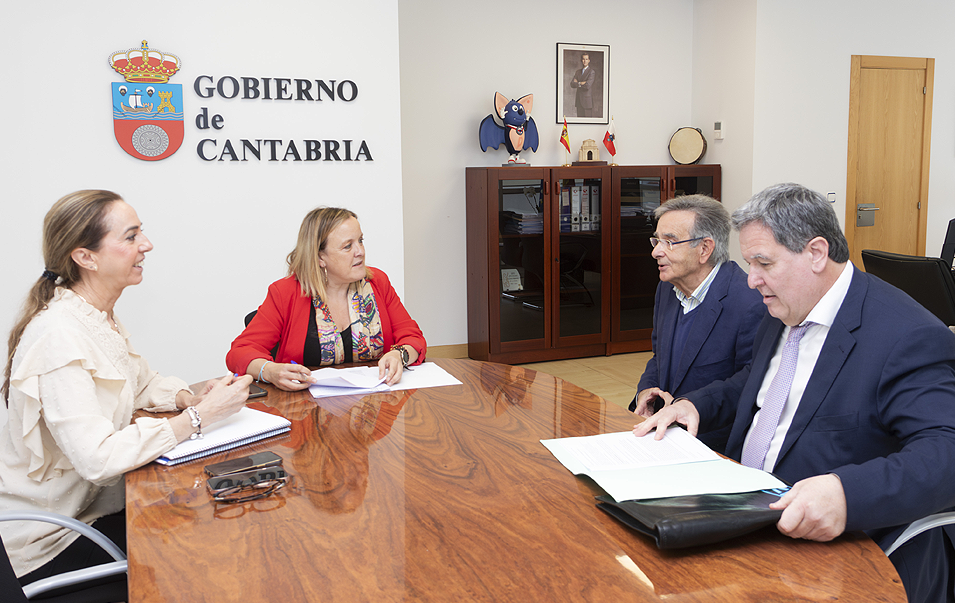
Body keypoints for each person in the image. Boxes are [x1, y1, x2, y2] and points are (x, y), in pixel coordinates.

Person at [634, 183, 955, 603]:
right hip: (744, 512)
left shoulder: (905, 335)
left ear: (816, 253)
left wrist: (846, 493)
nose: (751, 281)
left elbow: (945, 450)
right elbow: (754, 381)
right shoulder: (785, 304)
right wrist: (695, 405)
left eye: (763, 263)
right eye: (749, 264)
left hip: (825, 551)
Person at [0, 190, 252, 597]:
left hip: (94, 510)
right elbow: (98, 458)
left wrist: (191, 398)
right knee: (204, 558)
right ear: (86, 257)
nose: (146, 245)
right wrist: (198, 419)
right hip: (52, 537)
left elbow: (140, 383)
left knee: (216, 521)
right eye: (132, 236)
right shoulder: (59, 337)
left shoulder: (95, 315)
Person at [227, 207, 426, 390]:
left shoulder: (377, 283)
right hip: (304, 409)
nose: (361, 252)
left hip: (375, 405)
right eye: (348, 246)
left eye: (361, 241)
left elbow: (413, 337)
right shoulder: (285, 292)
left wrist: (399, 354)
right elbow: (240, 352)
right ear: (320, 257)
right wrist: (270, 371)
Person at [629, 195, 765, 453]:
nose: (656, 251)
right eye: (656, 240)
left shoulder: (750, 302)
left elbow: (750, 386)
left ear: (705, 248)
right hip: (663, 435)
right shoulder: (666, 289)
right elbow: (659, 356)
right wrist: (646, 390)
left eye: (669, 242)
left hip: (713, 446)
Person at [570, 53, 596, 118]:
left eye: (586, 59)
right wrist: (580, 83)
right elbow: (572, 84)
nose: (585, 61)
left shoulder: (591, 72)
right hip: (579, 102)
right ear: (581, 60)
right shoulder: (578, 72)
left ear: (589, 60)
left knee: (587, 124)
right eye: (583, 59)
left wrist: (577, 83)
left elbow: (587, 86)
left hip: (587, 103)